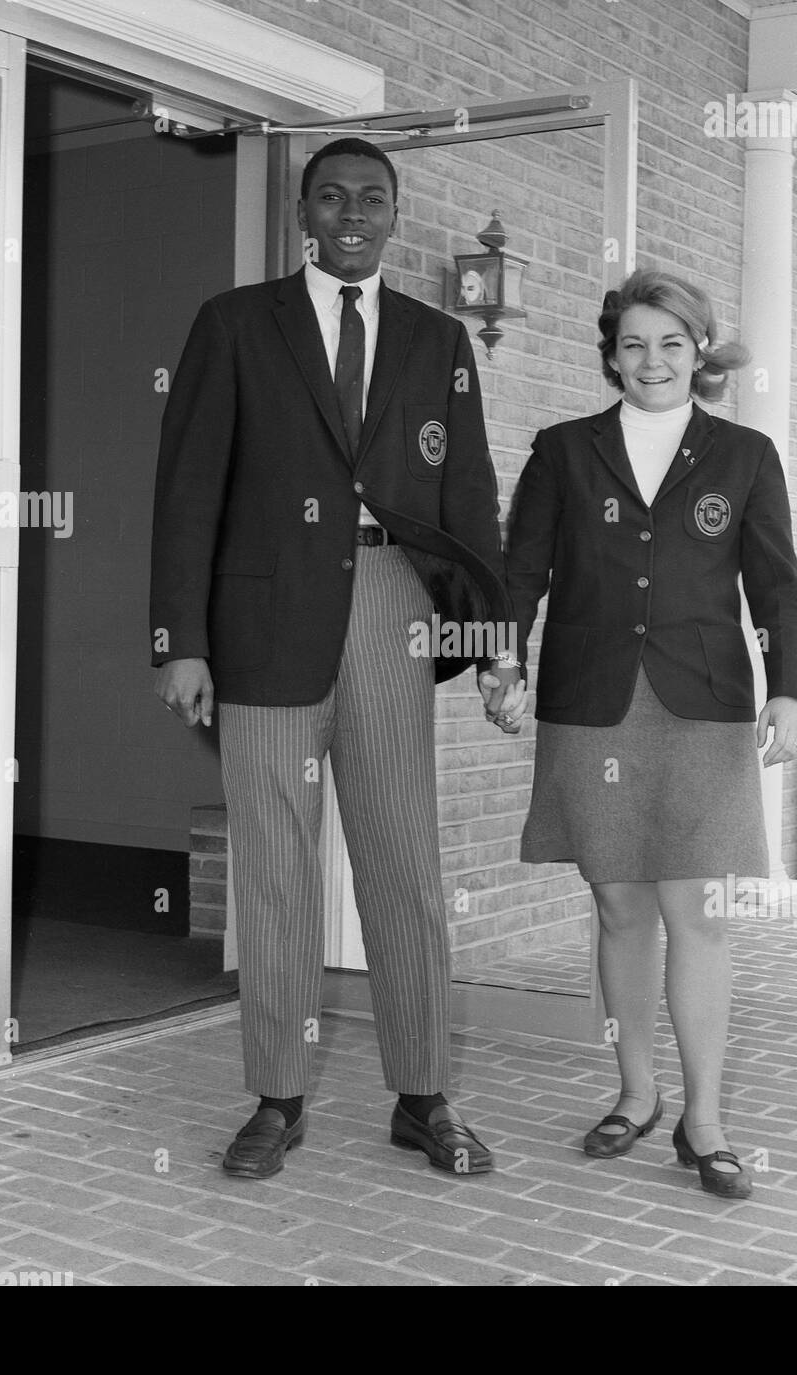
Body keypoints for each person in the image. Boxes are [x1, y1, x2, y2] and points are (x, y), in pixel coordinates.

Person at [149, 138, 524, 1180]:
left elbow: (469, 500)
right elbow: (187, 494)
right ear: (303, 215)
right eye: (331, 197)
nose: (351, 212)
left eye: (372, 198)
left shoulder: (437, 338)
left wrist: (491, 639)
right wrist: (179, 641)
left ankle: (423, 1093)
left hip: (394, 608)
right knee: (272, 868)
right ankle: (276, 1096)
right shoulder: (234, 325)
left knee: (403, 860)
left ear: (395, 216)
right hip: (262, 625)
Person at [502, 268, 797, 1199]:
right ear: (610, 354)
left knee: (701, 916)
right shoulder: (562, 451)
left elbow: (777, 587)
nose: (652, 359)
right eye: (634, 342)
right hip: (592, 704)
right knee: (620, 907)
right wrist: (501, 659)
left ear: (699, 353)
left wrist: (789, 690)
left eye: (672, 342)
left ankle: (703, 1116)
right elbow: (522, 573)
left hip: (704, 708)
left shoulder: (745, 455)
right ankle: (635, 1093)